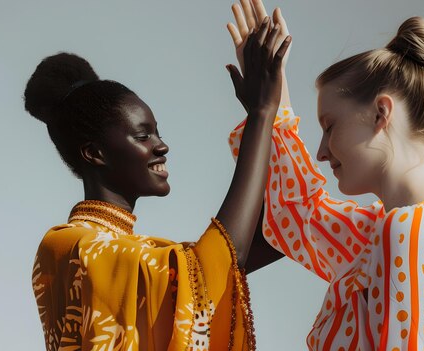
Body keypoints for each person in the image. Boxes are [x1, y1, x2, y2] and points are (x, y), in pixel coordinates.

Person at [226, 2, 424, 350]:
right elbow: (302, 217)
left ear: (381, 113)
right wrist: (272, 99)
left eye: (329, 126)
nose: (321, 152)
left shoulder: (411, 231)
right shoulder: (390, 229)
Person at [26, 17, 290, 351]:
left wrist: (278, 110)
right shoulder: (70, 246)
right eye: (143, 135)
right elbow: (211, 265)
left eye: (157, 132)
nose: (161, 145)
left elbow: (276, 237)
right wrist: (262, 114)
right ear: (95, 153)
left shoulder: (132, 253)